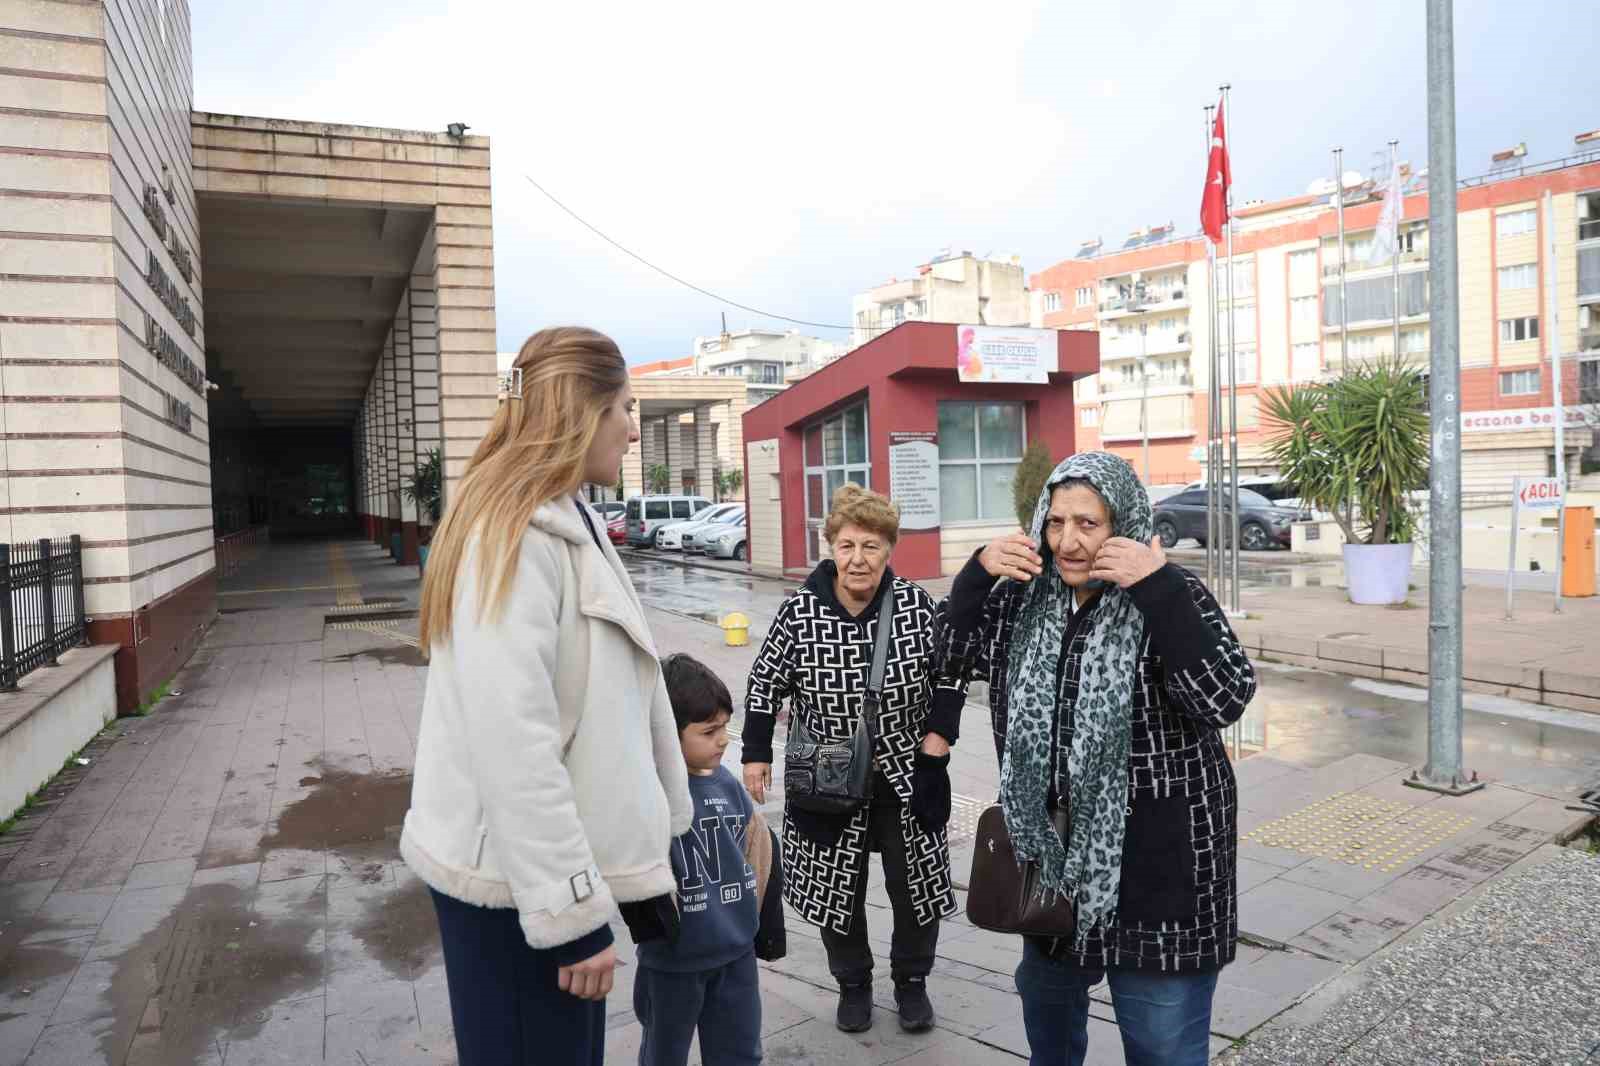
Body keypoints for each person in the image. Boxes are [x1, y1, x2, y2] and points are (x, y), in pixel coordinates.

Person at [400, 327, 692, 1066]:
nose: (632, 428)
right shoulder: (516, 533)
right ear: (580, 411)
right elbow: (515, 743)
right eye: (624, 408)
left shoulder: (567, 519)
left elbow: (595, 714)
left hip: (535, 881)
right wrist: (571, 916)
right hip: (516, 896)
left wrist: (636, 865)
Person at [939, 451, 1256, 1066]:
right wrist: (976, 576)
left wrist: (1158, 588)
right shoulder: (1022, 601)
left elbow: (1225, 697)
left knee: (1163, 1048)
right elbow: (946, 660)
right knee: (1050, 1042)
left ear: (1126, 524)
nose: (1068, 541)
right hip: (1053, 869)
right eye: (1056, 522)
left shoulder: (1173, 593)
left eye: (1089, 524)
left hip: (1161, 871)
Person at [741, 483, 969, 1034]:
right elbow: (763, 683)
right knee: (835, 890)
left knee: (914, 888)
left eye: (871, 545)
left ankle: (911, 982)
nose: (858, 558)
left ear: (889, 549)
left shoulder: (916, 606)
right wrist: (754, 753)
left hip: (906, 776)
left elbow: (952, 675)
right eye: (846, 545)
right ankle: (853, 984)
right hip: (827, 777)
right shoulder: (800, 610)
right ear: (830, 548)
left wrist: (938, 742)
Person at [627, 653, 786, 1066]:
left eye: (724, 727)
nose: (723, 739)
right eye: (708, 731)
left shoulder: (729, 788)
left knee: (740, 1052)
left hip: (735, 955)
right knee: (664, 1053)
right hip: (672, 965)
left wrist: (761, 926)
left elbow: (760, 854)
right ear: (664, 732)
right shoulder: (648, 796)